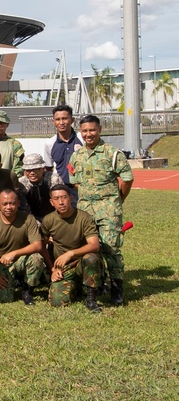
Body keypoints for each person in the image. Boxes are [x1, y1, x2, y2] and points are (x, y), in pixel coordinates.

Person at [69, 115, 133, 306]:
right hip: (85, 211)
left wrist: (119, 199)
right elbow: (76, 183)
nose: (88, 134)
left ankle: (117, 289)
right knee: (88, 248)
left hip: (108, 210)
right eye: (85, 131)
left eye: (92, 130)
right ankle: (96, 285)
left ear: (100, 130)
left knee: (110, 248)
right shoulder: (77, 155)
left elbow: (127, 179)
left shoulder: (112, 154)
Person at [41, 184, 103, 312]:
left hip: (82, 263)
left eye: (64, 197)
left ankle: (91, 297)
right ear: (51, 202)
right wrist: (52, 269)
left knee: (91, 259)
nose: (61, 202)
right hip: (64, 267)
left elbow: (94, 245)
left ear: (71, 198)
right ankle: (77, 286)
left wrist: (70, 253)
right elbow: (42, 247)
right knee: (57, 301)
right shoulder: (48, 220)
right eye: (56, 199)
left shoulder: (84, 218)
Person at [0, 189, 46, 305]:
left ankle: (27, 290)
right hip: (0, 265)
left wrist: (14, 253)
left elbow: (37, 245)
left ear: (19, 203)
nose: (9, 207)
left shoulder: (28, 219)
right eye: (4, 204)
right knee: (5, 299)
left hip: (21, 260)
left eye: (12, 203)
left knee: (36, 258)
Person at [42, 104, 82, 202]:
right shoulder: (49, 143)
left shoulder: (82, 139)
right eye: (58, 119)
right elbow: (48, 169)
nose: (61, 122)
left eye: (65, 118)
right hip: (60, 189)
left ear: (72, 120)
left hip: (81, 188)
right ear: (53, 122)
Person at [18, 153, 62, 222]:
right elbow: (23, 209)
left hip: (53, 218)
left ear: (43, 169)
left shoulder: (54, 179)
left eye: (36, 169)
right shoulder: (21, 183)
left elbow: (61, 203)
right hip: (30, 220)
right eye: (28, 170)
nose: (32, 173)